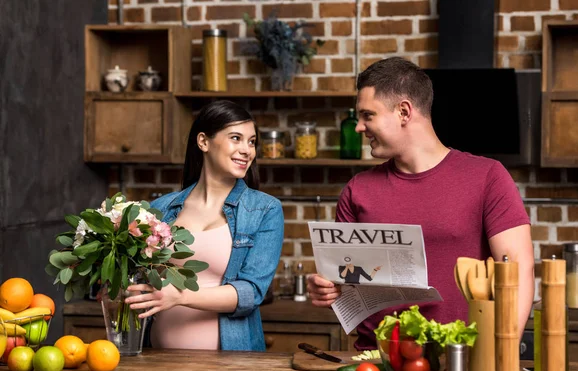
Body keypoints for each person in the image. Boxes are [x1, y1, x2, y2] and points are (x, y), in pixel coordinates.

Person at [307, 57, 534, 350]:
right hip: (376, 363)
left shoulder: (487, 176)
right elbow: (349, 284)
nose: (359, 127)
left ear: (403, 111)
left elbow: (517, 268)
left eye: (367, 115)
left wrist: (499, 355)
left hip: (459, 360)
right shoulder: (357, 190)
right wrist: (328, 291)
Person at [125, 100, 284, 351]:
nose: (247, 150)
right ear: (203, 142)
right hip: (156, 359)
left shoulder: (264, 210)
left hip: (230, 367)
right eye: (236, 138)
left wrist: (181, 296)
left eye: (252, 142)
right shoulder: (162, 208)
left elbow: (251, 292)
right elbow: (139, 276)